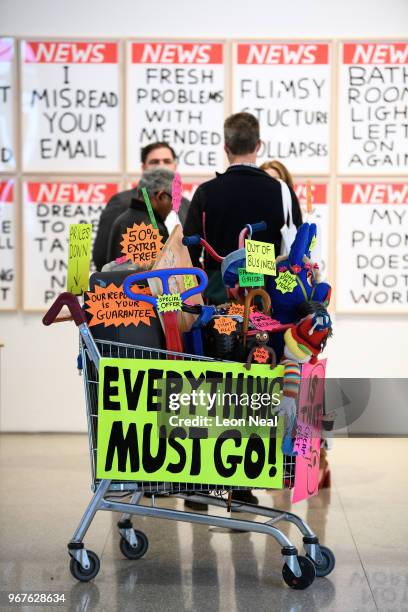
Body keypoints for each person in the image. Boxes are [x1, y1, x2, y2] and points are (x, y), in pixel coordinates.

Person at [183, 112, 302, 304]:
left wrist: (199, 294)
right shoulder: (282, 192)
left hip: (218, 302)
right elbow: (298, 247)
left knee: (221, 335)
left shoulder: (206, 193)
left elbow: (189, 255)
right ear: (258, 145)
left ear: (226, 147)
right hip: (270, 301)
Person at [92, 142, 190, 271]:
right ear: (144, 167)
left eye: (166, 161)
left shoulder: (186, 204)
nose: (161, 167)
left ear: (175, 165)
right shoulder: (122, 202)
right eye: (155, 162)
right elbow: (101, 256)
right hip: (137, 287)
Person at [106, 168, 173, 263]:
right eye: (174, 200)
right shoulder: (147, 227)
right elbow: (150, 275)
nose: (173, 206)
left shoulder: (123, 219)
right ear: (161, 196)